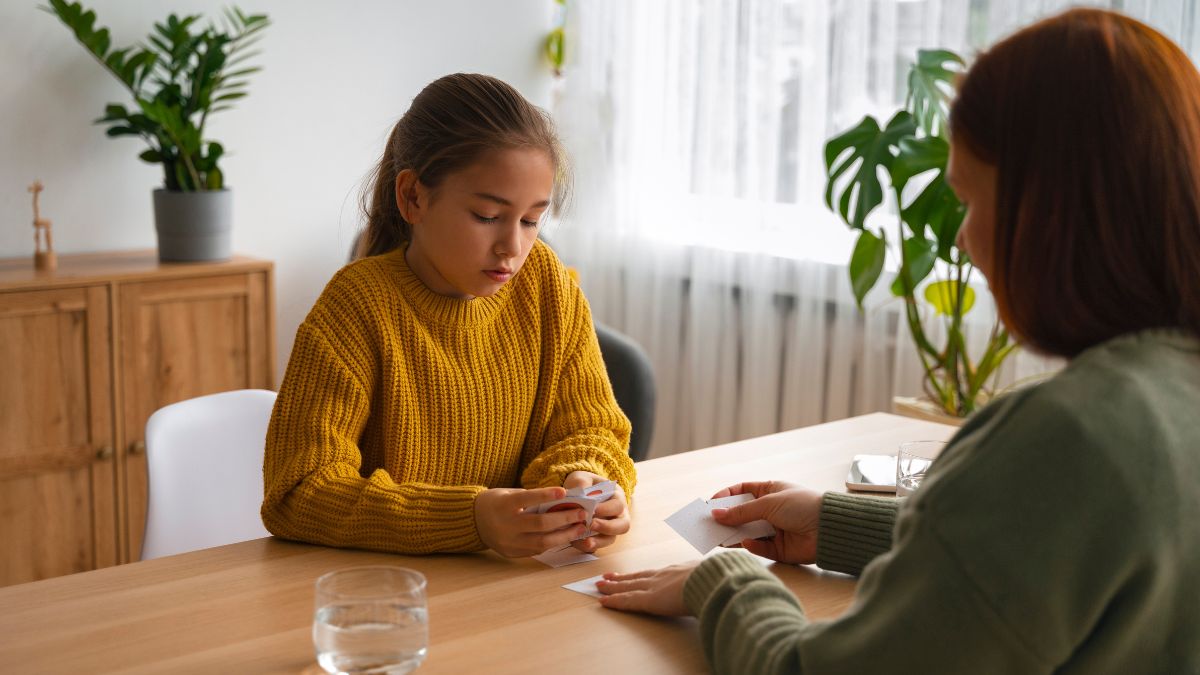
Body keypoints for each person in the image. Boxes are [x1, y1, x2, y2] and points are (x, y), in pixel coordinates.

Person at [595, 9, 1200, 673]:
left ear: (1049, 211)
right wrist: (840, 524)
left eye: (970, 200)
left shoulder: (1068, 436)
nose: (963, 239)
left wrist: (725, 578)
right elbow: (1043, 548)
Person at [262, 73, 636, 558]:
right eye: (487, 216)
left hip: (509, 585)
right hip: (388, 590)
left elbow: (594, 429)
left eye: (531, 220)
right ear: (413, 197)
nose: (513, 246)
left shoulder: (548, 284)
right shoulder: (355, 306)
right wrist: (470, 518)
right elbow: (298, 492)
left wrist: (584, 478)